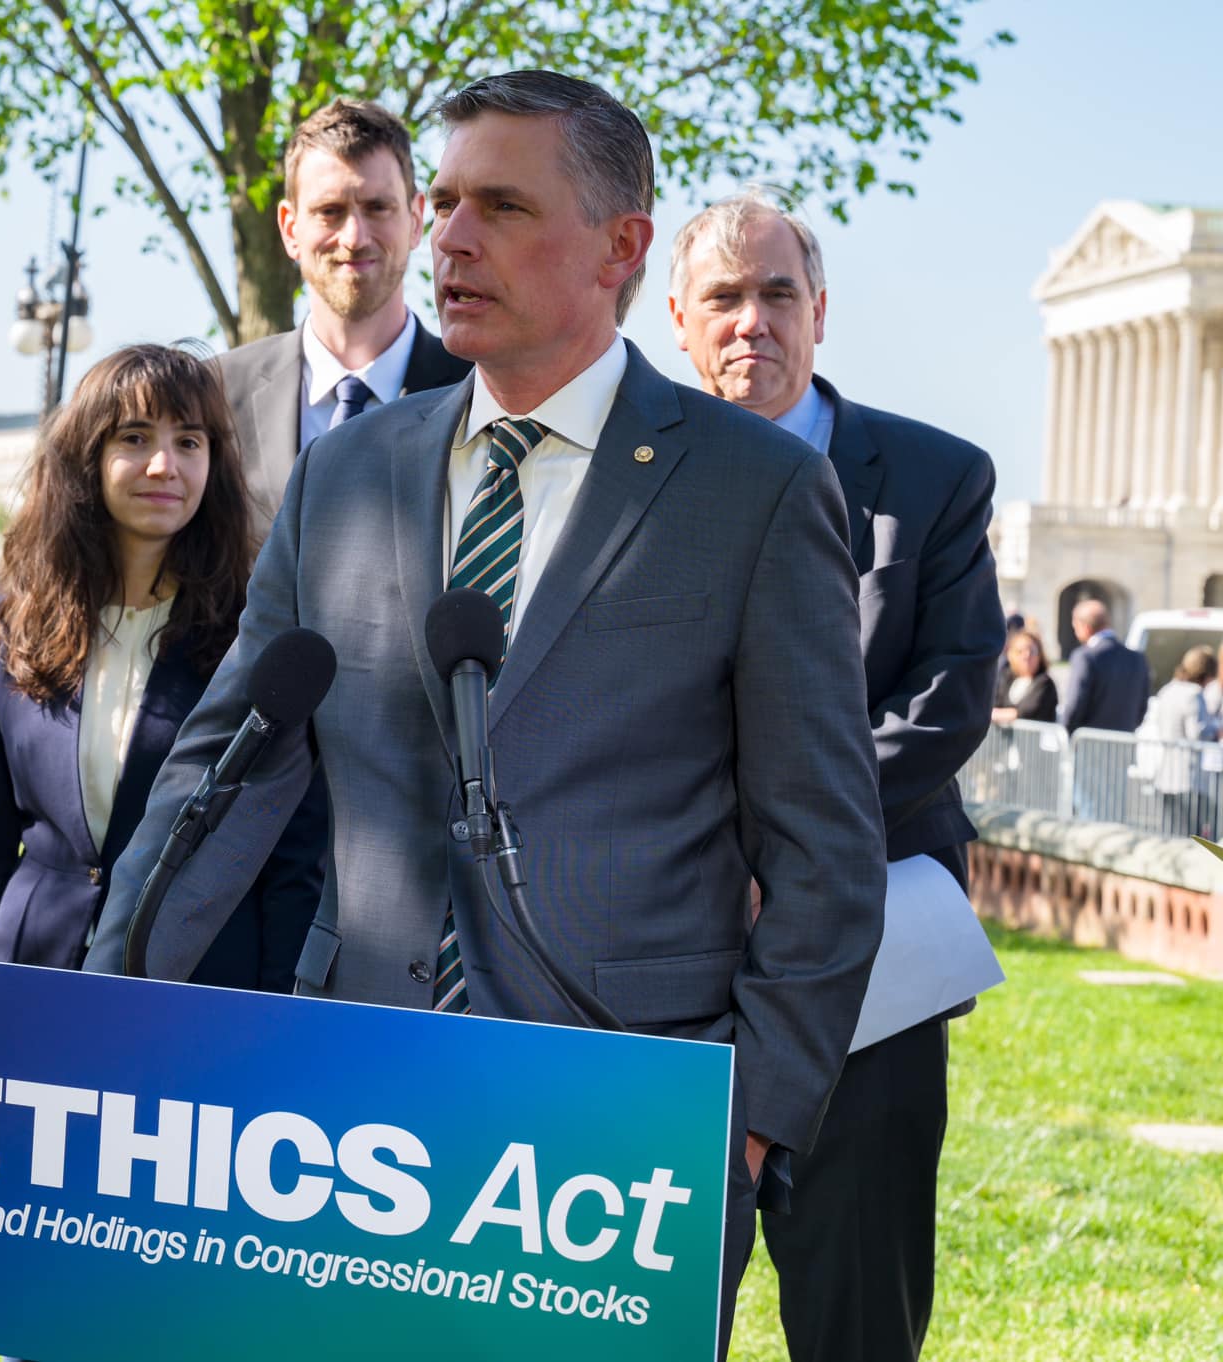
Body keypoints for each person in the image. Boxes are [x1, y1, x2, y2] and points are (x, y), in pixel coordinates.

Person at [84, 69, 886, 1359]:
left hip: (618, 1133)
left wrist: (742, 1122)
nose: (445, 240)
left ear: (619, 248)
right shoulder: (347, 469)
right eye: (444, 204)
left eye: (498, 207)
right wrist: (110, 991)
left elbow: (825, 850)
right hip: (355, 1103)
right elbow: (221, 767)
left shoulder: (755, 491)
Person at [669, 187, 1005, 1362]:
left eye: (774, 295)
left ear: (819, 312)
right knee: (654, 1303)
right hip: (666, 957)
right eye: (721, 297)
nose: (748, 321)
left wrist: (791, 856)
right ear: (676, 319)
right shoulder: (627, 474)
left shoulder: (933, 477)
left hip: (873, 953)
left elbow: (951, 693)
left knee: (856, 1310)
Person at [0, 343, 322, 987]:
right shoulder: (12, 623)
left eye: (189, 441)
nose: (164, 465)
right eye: (135, 438)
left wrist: (281, 1019)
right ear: (88, 458)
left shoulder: (255, 637)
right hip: (30, 975)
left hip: (194, 983)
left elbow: (291, 855)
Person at [217, 99, 471, 532]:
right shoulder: (216, 395)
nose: (354, 238)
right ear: (290, 228)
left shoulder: (478, 390)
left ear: (415, 220)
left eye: (377, 208)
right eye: (329, 211)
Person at [1147, 646, 1218, 837]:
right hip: (1188, 778)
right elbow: (1197, 733)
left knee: (1170, 834)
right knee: (1190, 836)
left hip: (1165, 775)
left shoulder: (1167, 690)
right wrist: (1217, 731)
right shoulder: (1194, 694)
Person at [1061, 599, 1150, 734]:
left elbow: (1075, 705)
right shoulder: (1136, 658)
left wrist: (1066, 732)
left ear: (1085, 627)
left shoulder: (1085, 657)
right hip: (1123, 743)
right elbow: (1142, 707)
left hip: (1088, 742)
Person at [993, 630, 1058, 724]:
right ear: (1012, 655)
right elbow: (995, 703)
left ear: (1039, 655)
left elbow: (1027, 712)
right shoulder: (1007, 679)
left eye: (1032, 651)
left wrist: (997, 715)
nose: (1026, 655)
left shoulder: (1045, 683)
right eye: (1020, 651)